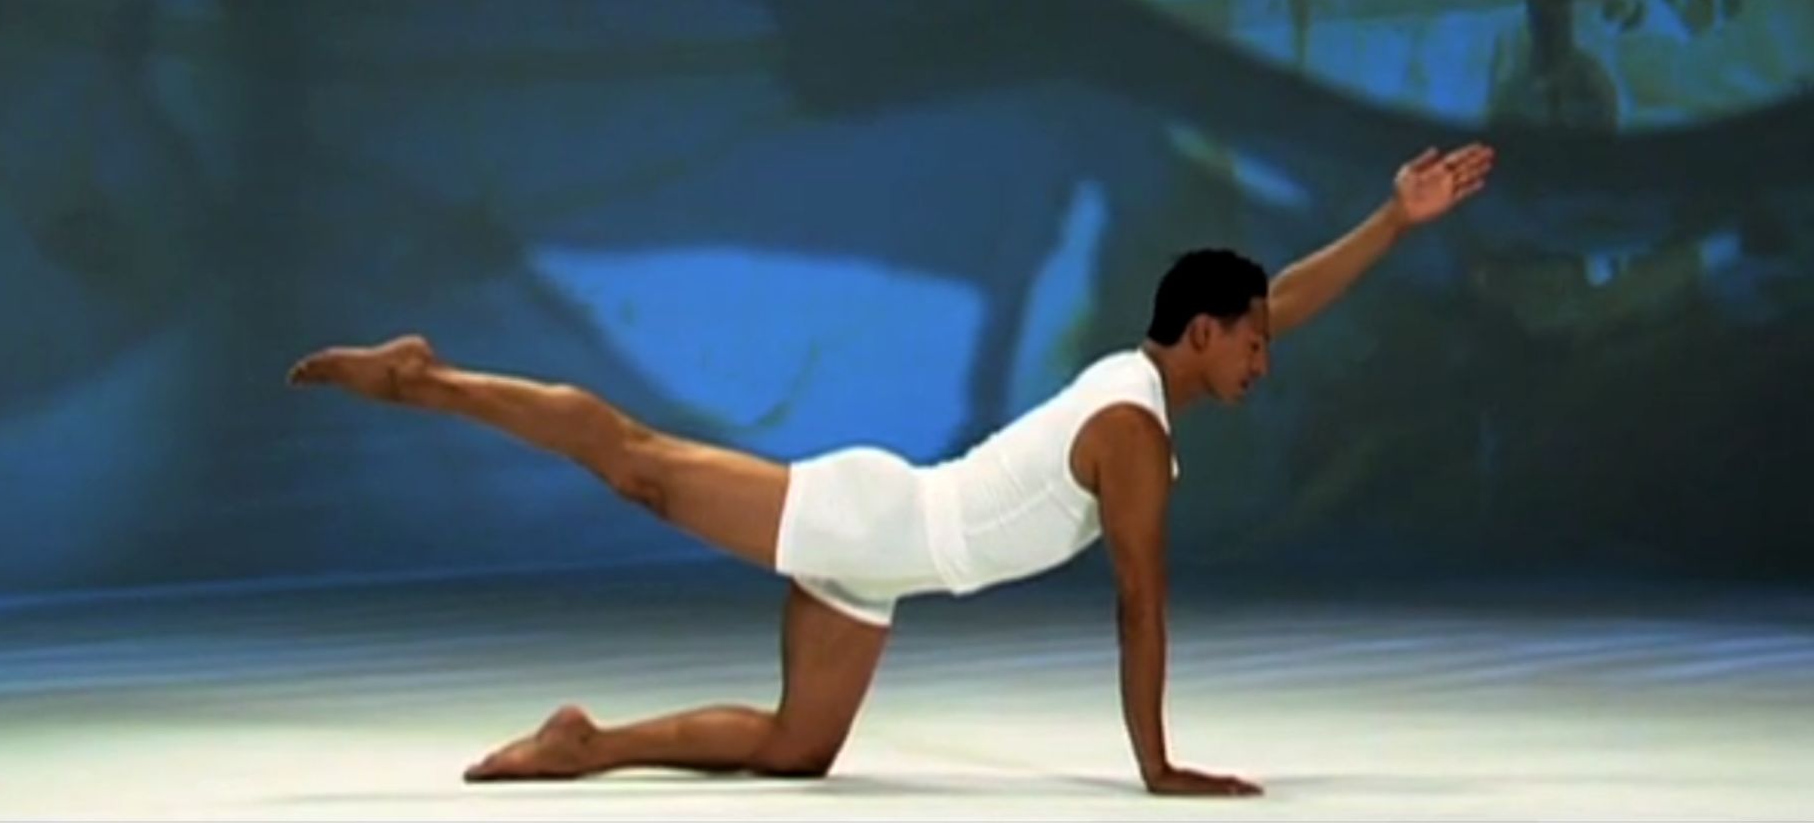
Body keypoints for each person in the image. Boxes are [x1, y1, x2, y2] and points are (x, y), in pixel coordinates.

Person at [287, 142, 1495, 796]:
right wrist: (1157, 770)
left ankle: (580, 746)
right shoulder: (1131, 427)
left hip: (891, 565)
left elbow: (1282, 296)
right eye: (1249, 345)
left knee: (796, 751)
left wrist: (1393, 222)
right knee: (640, 465)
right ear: (1196, 335)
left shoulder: (1153, 380)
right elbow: (1140, 604)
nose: (1265, 360)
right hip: (878, 518)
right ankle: (424, 378)